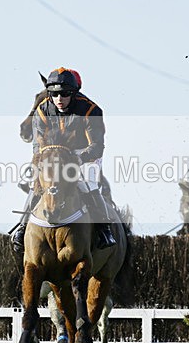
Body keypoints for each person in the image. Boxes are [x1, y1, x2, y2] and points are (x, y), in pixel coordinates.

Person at [10, 67, 117, 254]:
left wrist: (77, 158)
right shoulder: (42, 110)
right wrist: (40, 163)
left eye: (65, 94)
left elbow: (97, 146)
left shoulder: (91, 110)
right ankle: (22, 226)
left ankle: (104, 229)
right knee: (37, 184)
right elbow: (37, 145)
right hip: (53, 154)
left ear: (74, 94)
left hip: (84, 154)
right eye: (54, 94)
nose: (59, 99)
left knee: (88, 183)